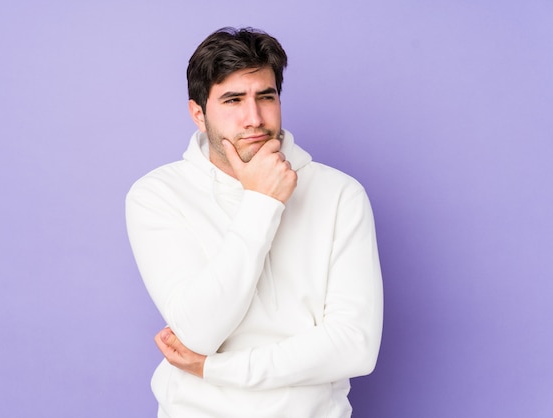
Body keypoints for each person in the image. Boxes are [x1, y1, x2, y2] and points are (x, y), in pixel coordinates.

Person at [125, 26, 383, 418]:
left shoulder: (340, 193)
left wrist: (216, 369)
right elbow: (199, 331)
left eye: (266, 96)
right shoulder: (157, 195)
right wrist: (262, 202)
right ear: (198, 113)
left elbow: (355, 346)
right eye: (232, 100)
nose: (255, 118)